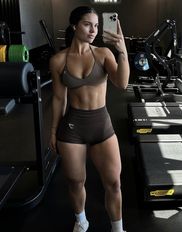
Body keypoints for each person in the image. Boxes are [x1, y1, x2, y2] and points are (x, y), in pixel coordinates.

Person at [49, 5, 130, 232]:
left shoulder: (104, 54)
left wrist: (122, 50)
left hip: (101, 126)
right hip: (72, 128)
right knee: (75, 182)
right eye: (87, 24)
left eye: (96, 25)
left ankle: (117, 229)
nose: (93, 30)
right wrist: (53, 131)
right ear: (74, 26)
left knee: (114, 183)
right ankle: (81, 220)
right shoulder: (58, 60)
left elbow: (122, 83)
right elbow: (58, 99)